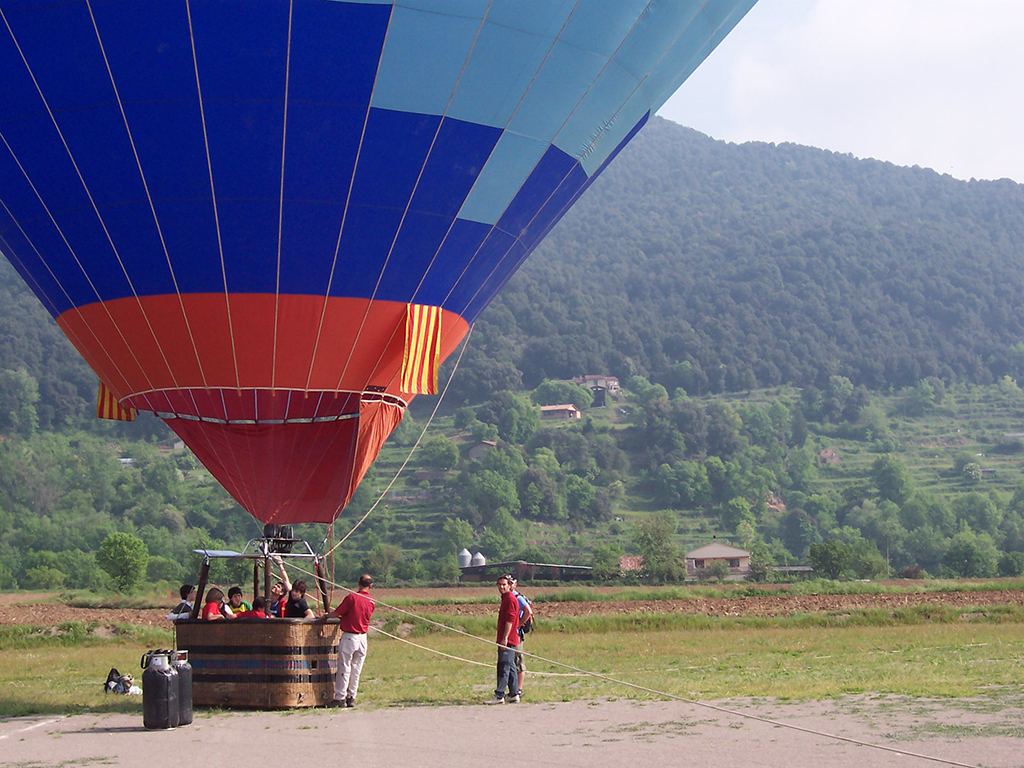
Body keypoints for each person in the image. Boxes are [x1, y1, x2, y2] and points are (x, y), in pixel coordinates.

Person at [326, 574, 375, 708]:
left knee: (344, 666)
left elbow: (338, 612)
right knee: (356, 668)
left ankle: (340, 697)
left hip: (350, 636)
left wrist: (326, 616)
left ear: (359, 583)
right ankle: (351, 696)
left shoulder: (352, 598)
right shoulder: (371, 601)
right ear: (370, 586)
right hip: (363, 637)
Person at [484, 574, 519, 704]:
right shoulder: (505, 598)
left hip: (508, 639)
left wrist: (504, 638)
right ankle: (514, 693)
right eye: (499, 584)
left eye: (504, 584)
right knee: (511, 666)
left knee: (503, 666)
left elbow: (510, 620)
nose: (501, 587)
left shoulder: (510, 599)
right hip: (508, 638)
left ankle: (499, 695)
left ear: (510, 586)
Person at [510, 577, 533, 700]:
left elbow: (528, 611)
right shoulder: (507, 597)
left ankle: (519, 689)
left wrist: (518, 624)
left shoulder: (517, 597)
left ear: (515, 584)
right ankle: (512, 689)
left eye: (511, 583)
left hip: (517, 634)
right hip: (510, 634)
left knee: (518, 660)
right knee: (511, 661)